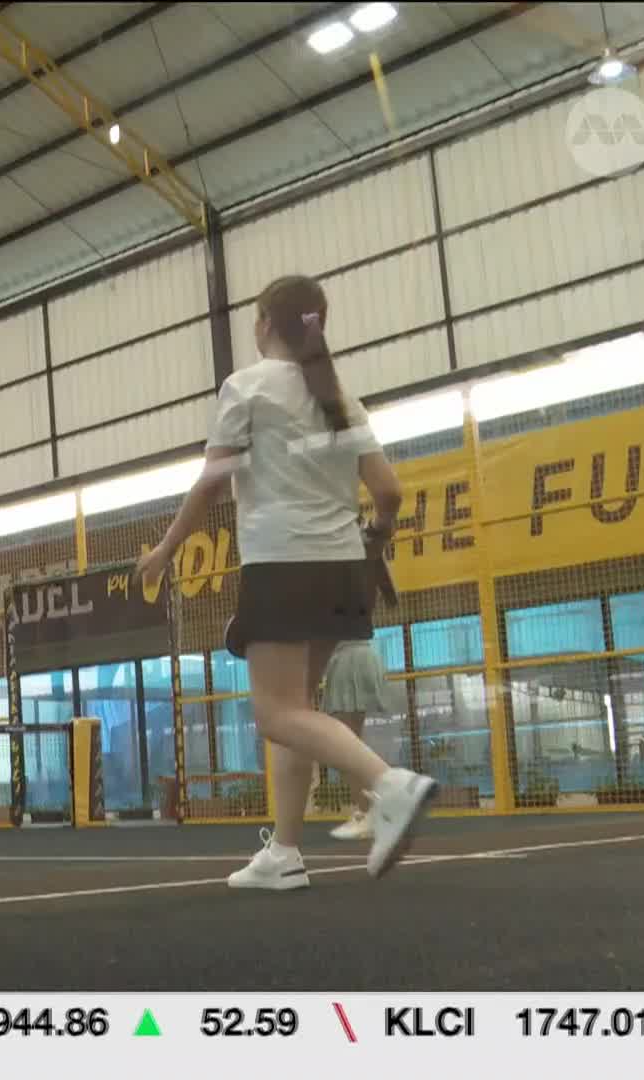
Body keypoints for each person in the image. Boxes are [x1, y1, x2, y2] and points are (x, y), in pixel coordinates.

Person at [135, 273, 436, 889]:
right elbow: (389, 492)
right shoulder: (341, 398)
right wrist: (374, 538)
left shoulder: (247, 386)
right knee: (299, 708)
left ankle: (390, 786)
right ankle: (286, 853)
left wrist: (164, 552)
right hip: (343, 568)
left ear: (265, 323)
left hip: (282, 563)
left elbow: (211, 483)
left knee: (277, 715)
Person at [316, 633, 403, 841]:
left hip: (348, 662)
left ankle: (374, 808)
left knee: (342, 746)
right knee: (350, 742)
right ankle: (370, 810)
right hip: (363, 656)